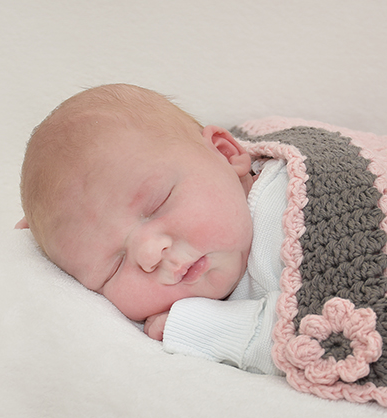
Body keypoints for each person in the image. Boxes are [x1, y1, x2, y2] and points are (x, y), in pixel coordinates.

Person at [17, 84, 287, 375]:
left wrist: (201, 327)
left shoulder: (286, 208)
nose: (150, 254)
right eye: (114, 267)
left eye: (158, 203)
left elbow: (313, 332)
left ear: (224, 153)